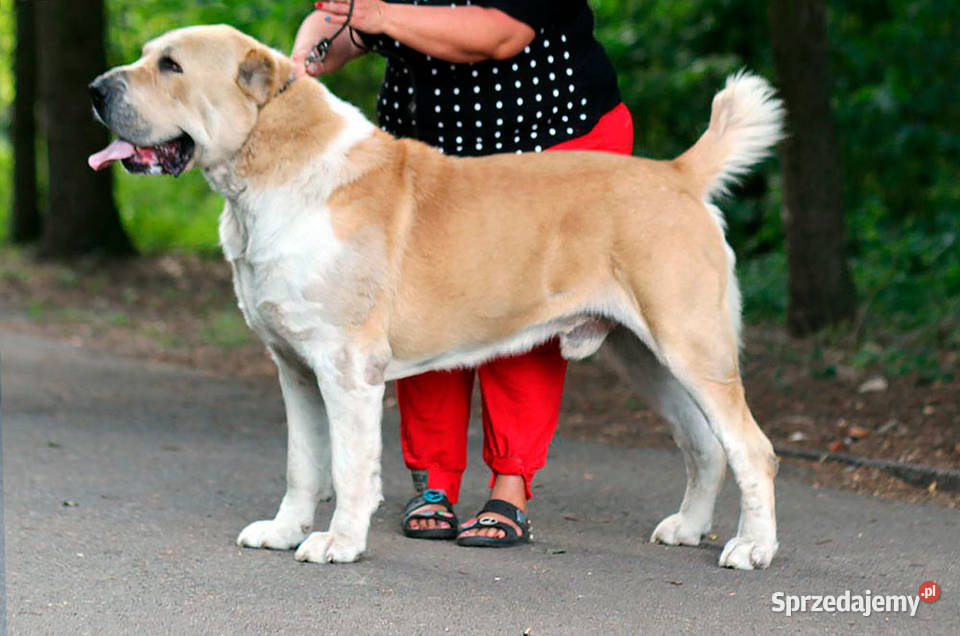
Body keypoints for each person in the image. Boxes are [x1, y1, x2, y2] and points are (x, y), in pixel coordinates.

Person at [292, 0, 633, 547]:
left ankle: (511, 487)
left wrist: (377, 14)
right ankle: (433, 482)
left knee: (518, 309)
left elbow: (497, 34)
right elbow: (339, 20)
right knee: (419, 301)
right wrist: (301, 60)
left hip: (548, 137)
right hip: (431, 147)